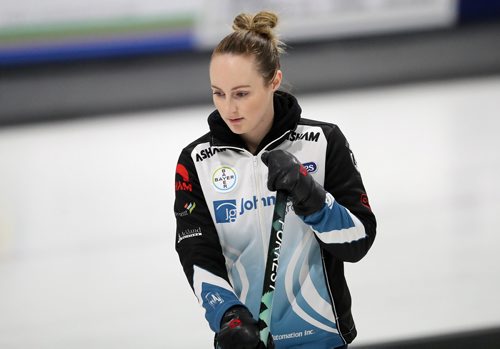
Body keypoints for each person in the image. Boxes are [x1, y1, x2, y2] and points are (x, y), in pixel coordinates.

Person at [174, 11, 376, 349]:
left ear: (274, 81)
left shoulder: (323, 142)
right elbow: (197, 253)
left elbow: (359, 240)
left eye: (241, 93)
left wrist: (309, 193)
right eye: (218, 93)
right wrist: (229, 316)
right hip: (250, 341)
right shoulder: (195, 162)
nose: (228, 108)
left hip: (321, 338)